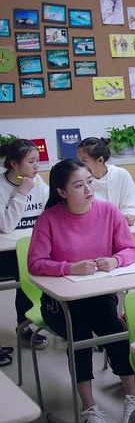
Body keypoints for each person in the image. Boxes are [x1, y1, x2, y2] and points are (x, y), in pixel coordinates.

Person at [27, 158, 135, 423]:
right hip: (60, 303)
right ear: (62, 192)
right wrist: (69, 268)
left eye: (90, 182)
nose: (89, 189)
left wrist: (115, 260)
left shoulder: (108, 211)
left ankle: (132, 396)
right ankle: (89, 407)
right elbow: (35, 263)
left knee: (115, 330)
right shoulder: (49, 219)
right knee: (79, 336)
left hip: (98, 296)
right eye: (79, 185)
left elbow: (129, 249)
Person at [0, 139, 50, 360]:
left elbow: (49, 213)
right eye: (31, 161)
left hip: (33, 248)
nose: (37, 166)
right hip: (6, 253)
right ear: (14, 164)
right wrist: (21, 193)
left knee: (38, 272)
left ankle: (27, 324)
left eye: (38, 160)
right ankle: (24, 325)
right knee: (25, 274)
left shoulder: (38, 182)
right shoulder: (2, 186)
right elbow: (6, 225)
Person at [76, 137, 135, 226]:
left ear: (100, 160)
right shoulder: (78, 179)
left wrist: (127, 217)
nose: (80, 165)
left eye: (84, 161)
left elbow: (132, 206)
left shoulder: (121, 174)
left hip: (120, 227)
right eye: (78, 160)